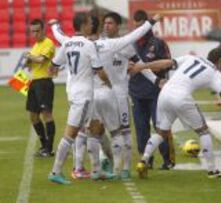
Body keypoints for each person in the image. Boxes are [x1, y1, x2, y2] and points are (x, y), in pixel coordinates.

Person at [49, 13, 162, 180]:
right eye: (105, 23)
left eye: (110, 23)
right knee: (118, 132)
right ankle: (120, 170)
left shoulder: (71, 43)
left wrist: (54, 26)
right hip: (109, 94)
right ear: (95, 27)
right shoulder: (107, 45)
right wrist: (151, 22)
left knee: (92, 131)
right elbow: (133, 36)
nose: (107, 26)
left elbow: (58, 43)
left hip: (88, 94)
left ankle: (92, 169)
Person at [128, 47, 221, 178]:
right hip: (181, 97)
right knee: (203, 131)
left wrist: (142, 66)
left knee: (161, 133)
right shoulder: (215, 73)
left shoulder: (192, 58)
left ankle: (143, 160)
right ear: (219, 61)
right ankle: (212, 170)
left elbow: (166, 63)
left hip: (164, 93)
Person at [48, 12, 113, 184]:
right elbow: (99, 70)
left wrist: (52, 72)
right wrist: (109, 83)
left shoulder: (67, 43)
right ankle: (55, 172)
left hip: (75, 92)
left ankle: (97, 171)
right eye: (89, 22)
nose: (91, 25)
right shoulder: (88, 44)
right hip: (83, 96)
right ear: (83, 24)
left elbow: (54, 64)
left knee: (95, 127)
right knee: (72, 134)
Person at [129, 10, 175, 170]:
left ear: (147, 26)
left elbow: (169, 63)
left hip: (156, 92)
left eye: (141, 26)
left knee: (160, 125)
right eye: (135, 27)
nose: (138, 30)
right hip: (136, 92)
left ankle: (168, 159)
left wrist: (163, 82)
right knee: (141, 127)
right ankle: (146, 159)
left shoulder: (159, 43)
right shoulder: (130, 45)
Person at [25, 19, 56, 157]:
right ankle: (44, 145)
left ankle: (48, 149)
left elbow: (42, 60)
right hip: (34, 82)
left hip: (44, 82)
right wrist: (28, 60)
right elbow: (31, 65)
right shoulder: (35, 46)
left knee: (46, 114)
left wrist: (30, 56)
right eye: (33, 31)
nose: (35, 33)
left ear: (43, 30)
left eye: (37, 30)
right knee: (33, 116)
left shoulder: (48, 43)